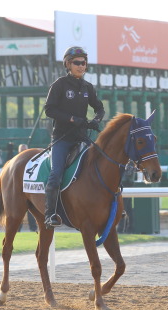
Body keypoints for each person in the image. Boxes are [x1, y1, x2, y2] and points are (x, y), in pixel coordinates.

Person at [43, 46, 105, 229]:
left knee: (103, 165)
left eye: (83, 63)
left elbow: (99, 108)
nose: (81, 66)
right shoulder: (59, 85)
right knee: (55, 174)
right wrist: (72, 119)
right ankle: (50, 214)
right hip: (62, 138)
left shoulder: (88, 87)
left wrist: (96, 120)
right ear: (68, 65)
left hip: (82, 138)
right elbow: (49, 110)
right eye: (77, 63)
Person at [18, 144, 38, 232]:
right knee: (18, 213)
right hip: (19, 192)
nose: (23, 152)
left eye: (25, 150)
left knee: (32, 213)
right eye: (22, 150)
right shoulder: (15, 162)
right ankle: (17, 231)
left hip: (29, 191)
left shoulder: (33, 163)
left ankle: (33, 230)